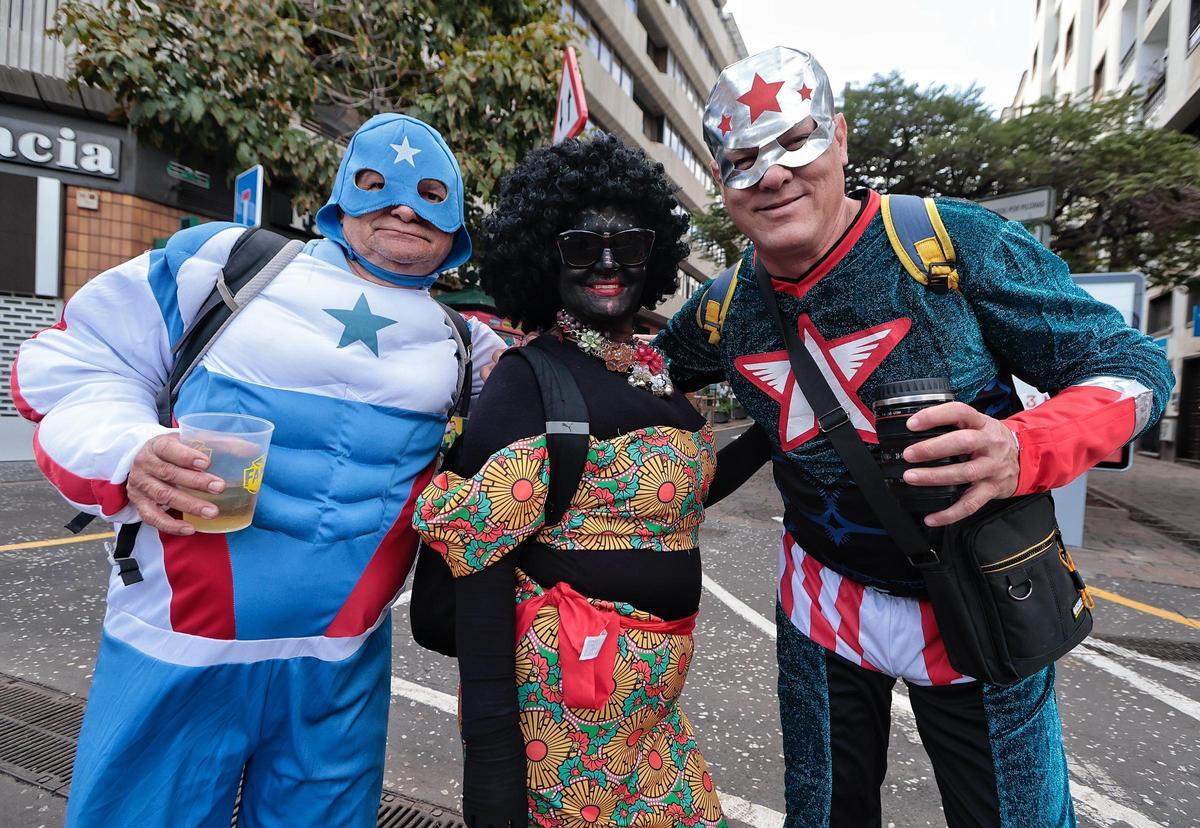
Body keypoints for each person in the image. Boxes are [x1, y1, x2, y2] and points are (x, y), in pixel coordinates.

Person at [653, 47, 1175, 827]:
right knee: (824, 814)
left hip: (981, 596)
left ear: (841, 140)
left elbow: (1134, 366)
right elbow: (644, 377)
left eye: (797, 140)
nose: (772, 175)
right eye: (743, 159)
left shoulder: (948, 243)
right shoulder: (724, 308)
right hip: (822, 603)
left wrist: (1025, 448)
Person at [9, 113, 506, 828]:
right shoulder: (225, 263)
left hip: (341, 665)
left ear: (455, 225)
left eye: (430, 192)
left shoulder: (467, 345)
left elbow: (559, 411)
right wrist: (128, 451)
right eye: (377, 184)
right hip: (177, 645)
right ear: (340, 199)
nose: (402, 206)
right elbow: (72, 362)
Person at [412, 134, 740, 827]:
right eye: (582, 246)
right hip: (564, 728)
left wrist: (788, 427)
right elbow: (479, 584)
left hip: (650, 717)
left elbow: (674, 498)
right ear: (544, 255)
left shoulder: (652, 374)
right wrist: (494, 784)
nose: (609, 264)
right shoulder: (527, 382)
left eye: (630, 244)